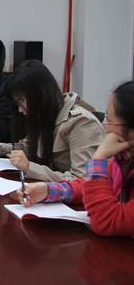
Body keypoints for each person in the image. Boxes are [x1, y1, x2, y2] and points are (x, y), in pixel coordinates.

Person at [17, 81, 134, 236]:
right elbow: (88, 186)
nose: (104, 125)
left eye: (109, 120)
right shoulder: (124, 160)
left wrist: (98, 159)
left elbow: (106, 221)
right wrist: (49, 191)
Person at [0, 60, 104, 182]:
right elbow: (26, 147)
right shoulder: (46, 115)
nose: (20, 110)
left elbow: (84, 181)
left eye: (21, 101)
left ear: (39, 95)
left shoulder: (81, 123)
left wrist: (30, 168)